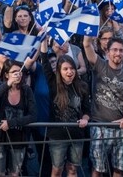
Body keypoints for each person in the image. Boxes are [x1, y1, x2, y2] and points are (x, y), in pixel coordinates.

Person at [82, 35, 123, 177]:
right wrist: (89, 28)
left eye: (121, 50)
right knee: (97, 169)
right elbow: (86, 45)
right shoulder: (100, 65)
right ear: (107, 52)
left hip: (121, 127)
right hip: (99, 125)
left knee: (119, 169)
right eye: (114, 50)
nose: (118, 53)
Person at [39, 41, 90, 177]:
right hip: (57, 136)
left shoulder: (83, 86)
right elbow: (44, 61)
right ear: (59, 71)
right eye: (65, 69)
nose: (69, 72)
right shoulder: (53, 84)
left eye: (72, 68)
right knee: (57, 170)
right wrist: (43, 42)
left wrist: (85, 119)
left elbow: (87, 110)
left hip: (77, 134)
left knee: (73, 169)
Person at [0, 59, 36, 177]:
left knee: (14, 174)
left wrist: (11, 123)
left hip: (19, 138)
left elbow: (33, 115)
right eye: (14, 72)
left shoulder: (26, 90)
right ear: (6, 74)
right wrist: (9, 83)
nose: (17, 74)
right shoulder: (2, 88)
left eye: (19, 71)